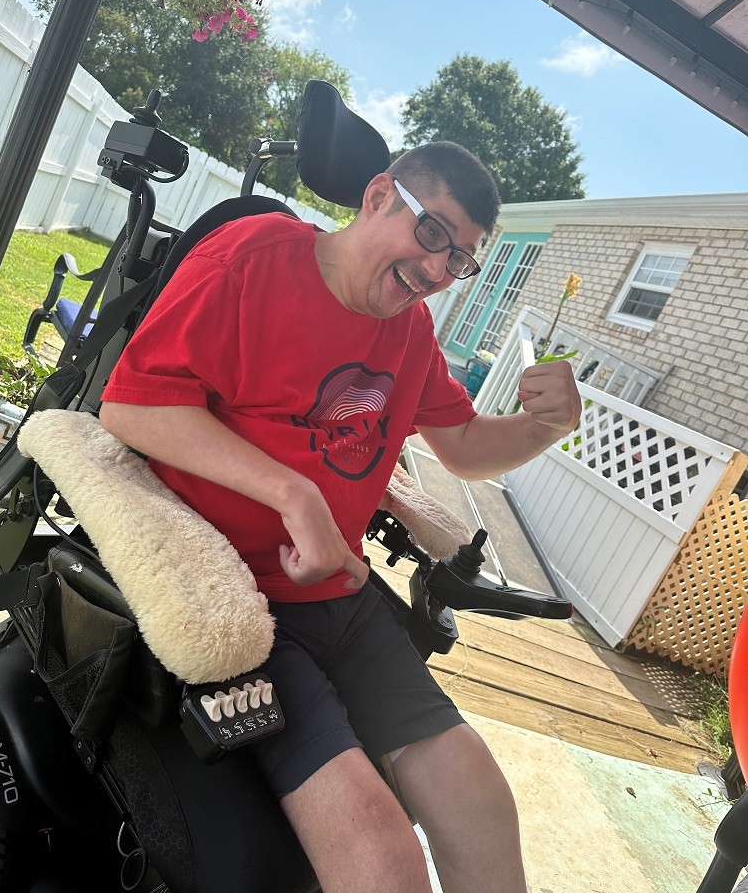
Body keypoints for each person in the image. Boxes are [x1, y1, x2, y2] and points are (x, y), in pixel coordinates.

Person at [100, 141, 581, 893]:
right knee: (382, 854)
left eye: (460, 260)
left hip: (342, 596)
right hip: (242, 602)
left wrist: (544, 428)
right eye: (433, 235)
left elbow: (461, 447)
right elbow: (131, 402)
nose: (437, 270)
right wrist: (295, 494)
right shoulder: (255, 258)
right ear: (380, 196)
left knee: (481, 798)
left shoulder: (411, 333)